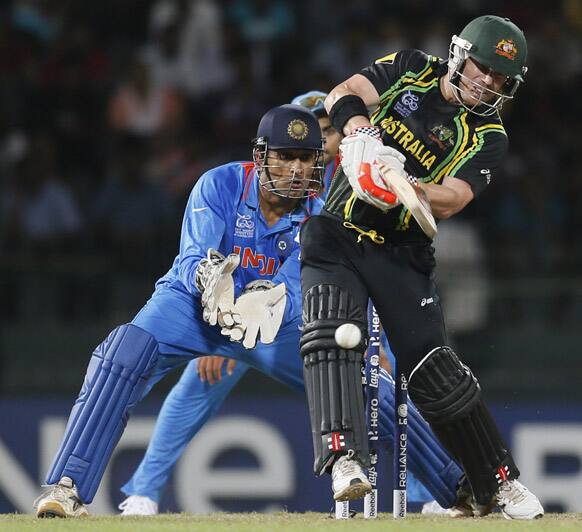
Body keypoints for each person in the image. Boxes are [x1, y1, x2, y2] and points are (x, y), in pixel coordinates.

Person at [116, 94, 462, 516]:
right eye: (317, 131)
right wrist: (218, 326)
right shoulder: (276, 174)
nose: (325, 141)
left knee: (381, 383)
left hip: (320, 307)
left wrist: (378, 346)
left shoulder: (364, 173)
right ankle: (144, 491)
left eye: (329, 129)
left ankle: (427, 496)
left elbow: (369, 272)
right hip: (237, 306)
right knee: (199, 380)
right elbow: (215, 248)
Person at [299, 15, 545, 520]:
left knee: (434, 368)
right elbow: (343, 92)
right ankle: (345, 457)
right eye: (484, 68)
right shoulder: (411, 69)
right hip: (339, 234)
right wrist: (360, 130)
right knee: (332, 333)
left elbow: (454, 198)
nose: (489, 83)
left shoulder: (489, 135)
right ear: (459, 54)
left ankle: (497, 483)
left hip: (403, 251)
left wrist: (402, 185)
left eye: (501, 79)